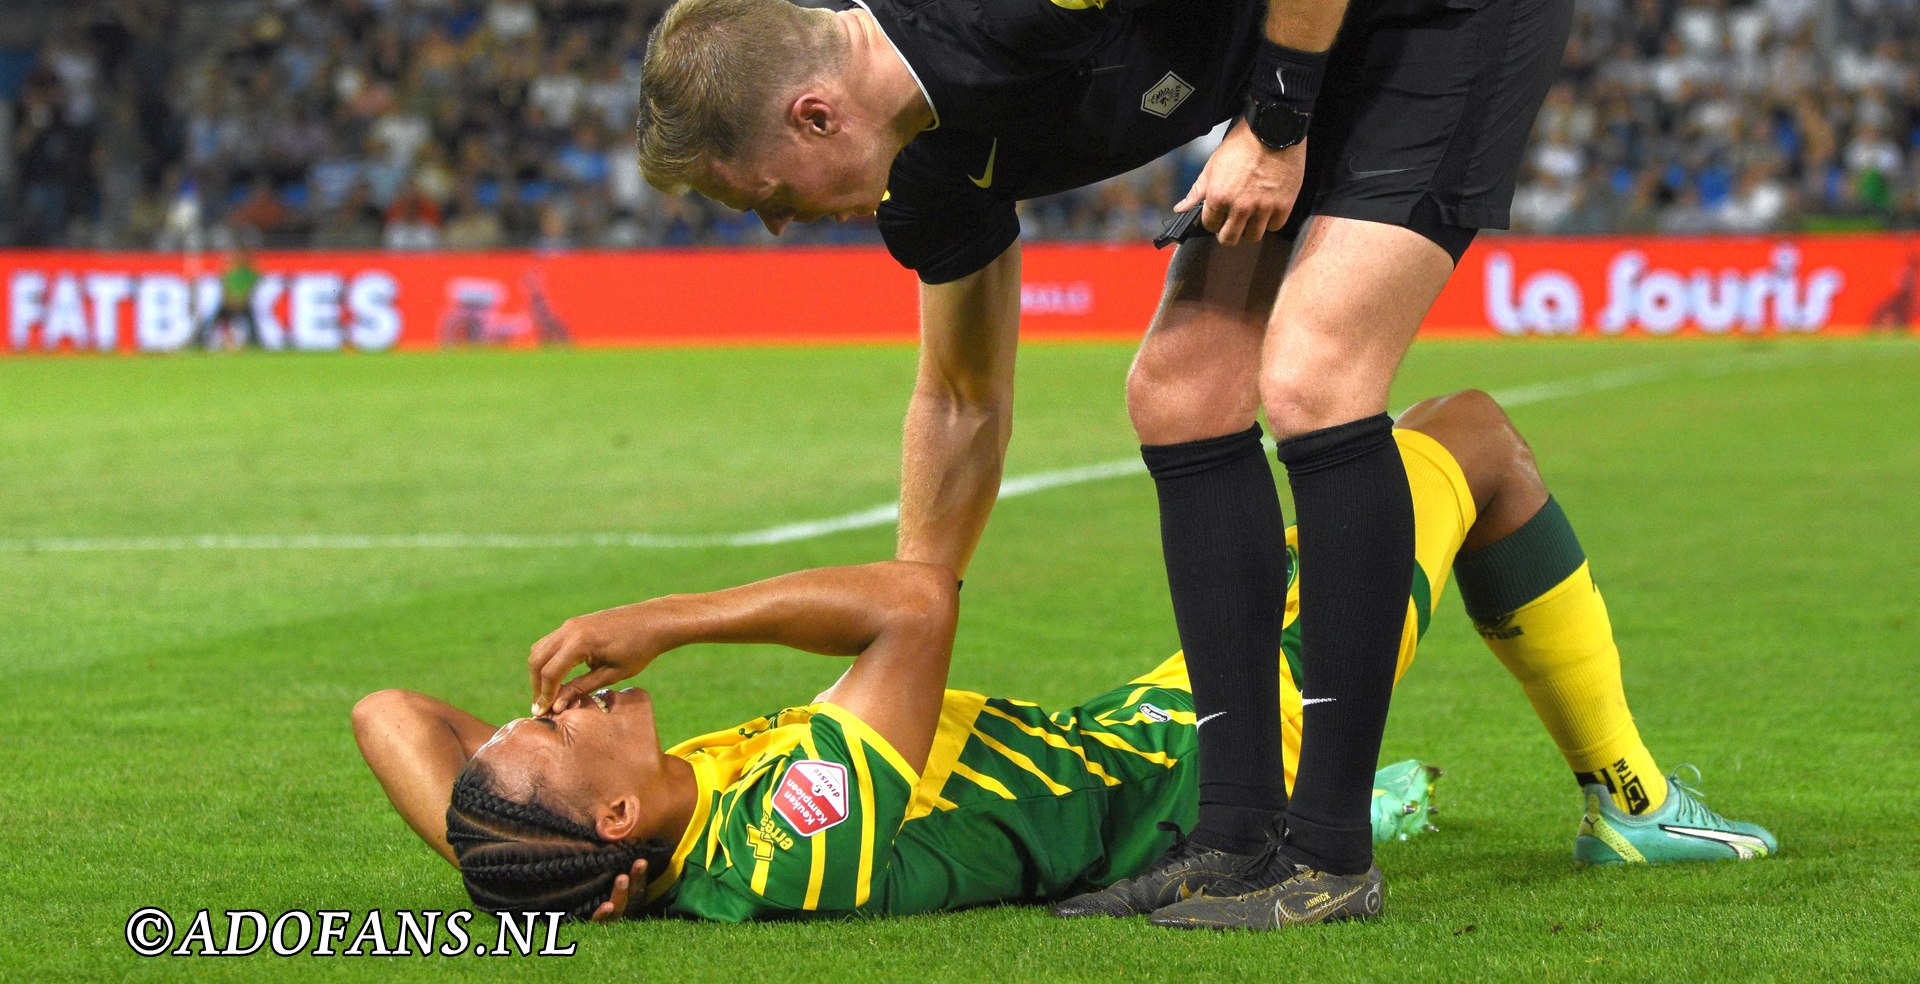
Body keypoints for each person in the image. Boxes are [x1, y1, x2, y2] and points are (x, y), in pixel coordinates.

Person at [634, 0, 1577, 927]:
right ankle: (1232, 836)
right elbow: (962, 397)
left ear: (813, 112)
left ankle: (1328, 852)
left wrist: (1274, 126)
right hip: (1328, 35)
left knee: (1316, 374)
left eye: (764, 194)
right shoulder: (921, 171)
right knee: (1178, 389)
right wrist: (911, 623)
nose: (779, 226)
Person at [351, 392, 1773, 928]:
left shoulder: (606, 843)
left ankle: (1414, 788)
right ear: (609, 819)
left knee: (1408, 455)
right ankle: (1635, 806)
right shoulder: (794, 842)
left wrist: (495, 854)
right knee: (1467, 443)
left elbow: (388, 712)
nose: (559, 701)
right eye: (547, 732)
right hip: (1203, 768)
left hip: (1138, 727)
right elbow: (915, 604)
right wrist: (670, 617)